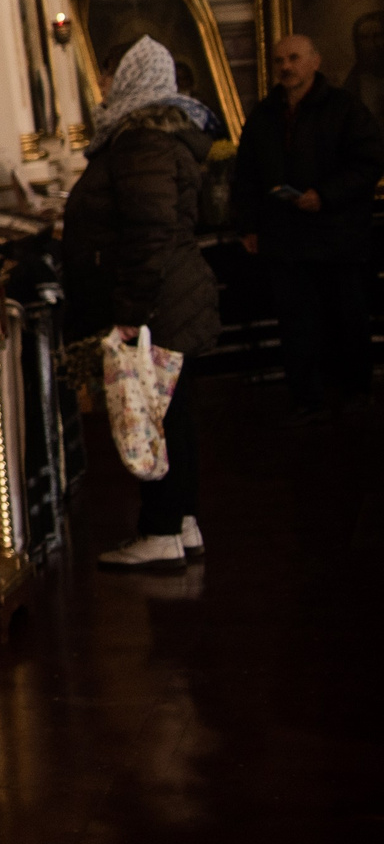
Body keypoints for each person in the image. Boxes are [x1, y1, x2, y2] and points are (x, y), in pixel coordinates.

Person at [62, 36, 221, 570]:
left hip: (157, 303)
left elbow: (148, 232)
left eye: (109, 74)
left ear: (131, 78)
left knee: (157, 416)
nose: (102, 85)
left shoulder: (140, 141)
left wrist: (130, 313)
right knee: (173, 414)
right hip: (173, 295)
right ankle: (181, 522)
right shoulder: (155, 136)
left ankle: (159, 530)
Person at [233, 32, 384, 416]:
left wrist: (325, 195)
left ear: (315, 62)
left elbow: (368, 163)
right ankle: (306, 398)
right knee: (296, 324)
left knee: (346, 319)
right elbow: (246, 176)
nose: (286, 67)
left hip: (337, 236)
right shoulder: (264, 116)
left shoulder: (344, 109)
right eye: (280, 60)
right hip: (285, 239)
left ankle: (355, 393)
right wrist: (249, 225)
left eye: (294, 58)